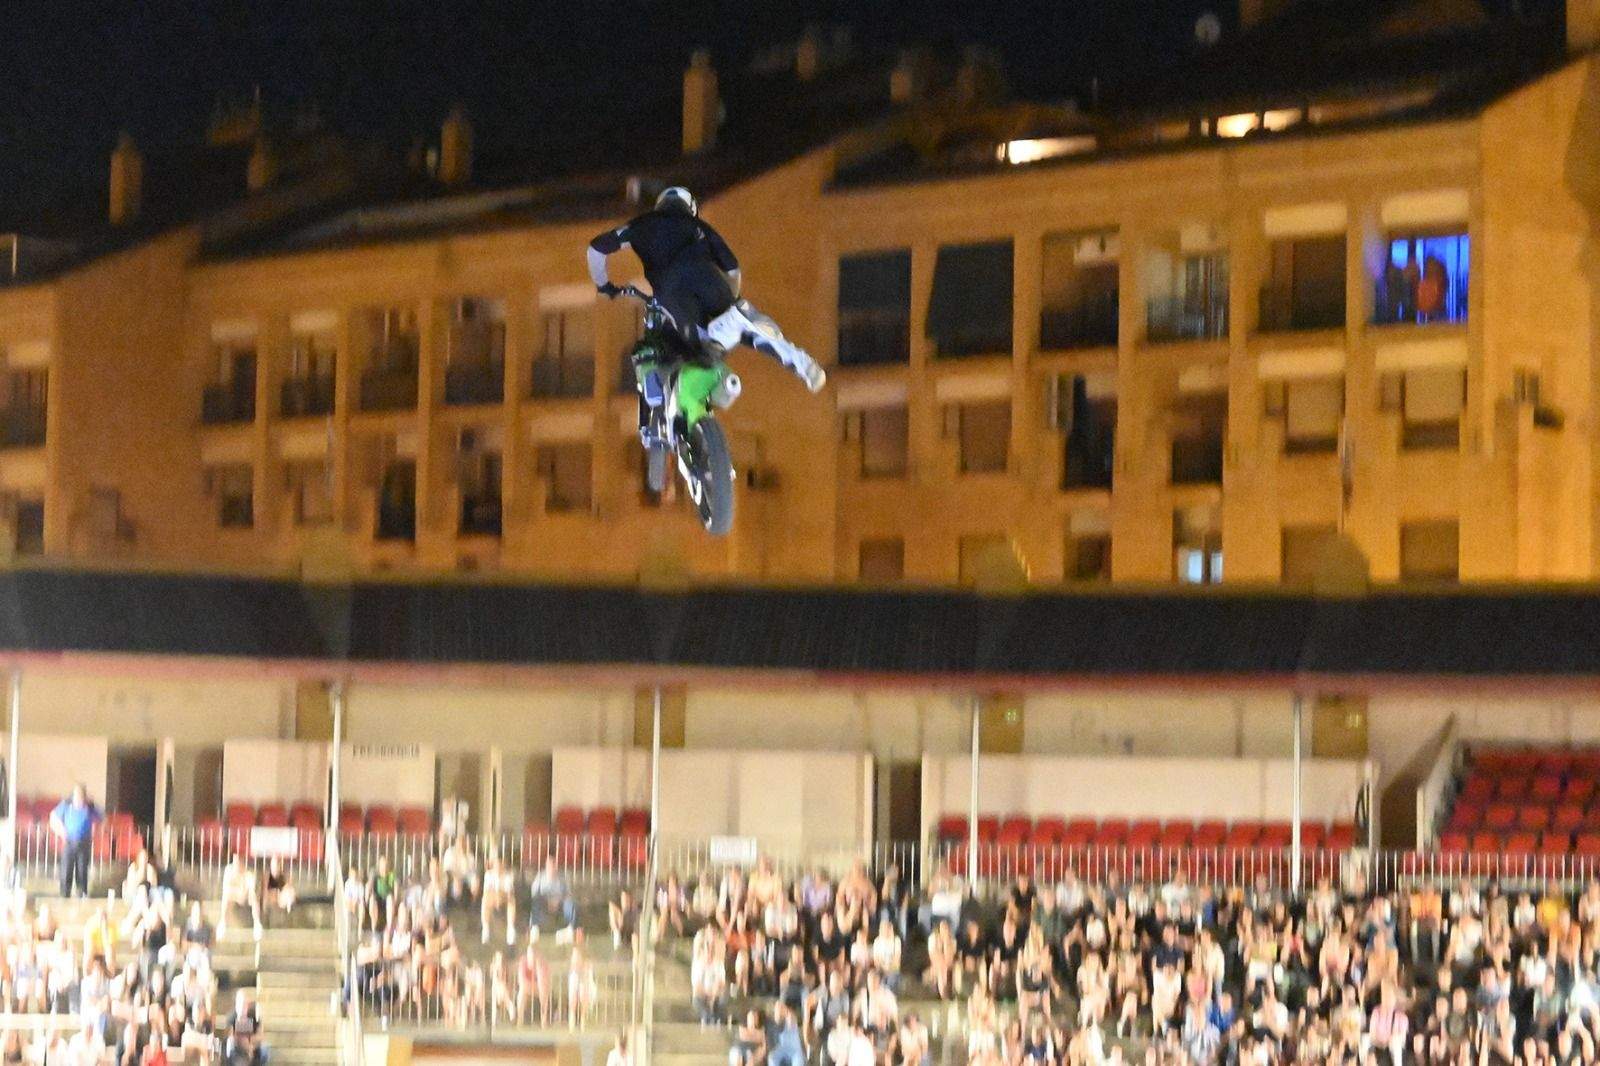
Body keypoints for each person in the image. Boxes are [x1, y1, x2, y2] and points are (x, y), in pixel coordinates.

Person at [586, 186, 825, 442]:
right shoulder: (698, 227)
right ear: (691, 209)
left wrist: (603, 285)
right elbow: (733, 269)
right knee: (744, 330)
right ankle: (789, 354)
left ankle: (721, 333)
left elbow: (596, 249)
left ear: (660, 206)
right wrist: (728, 301)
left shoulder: (641, 226)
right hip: (711, 281)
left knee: (696, 341)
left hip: (672, 291)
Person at [49, 784, 101, 898]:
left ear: (84, 796)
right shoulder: (66, 805)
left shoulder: (90, 807)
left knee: (82, 869)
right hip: (69, 841)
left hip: (84, 842)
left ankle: (82, 893)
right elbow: (53, 816)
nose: (78, 798)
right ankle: (64, 893)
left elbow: (101, 817)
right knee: (66, 869)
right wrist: (61, 830)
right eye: (76, 795)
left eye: (81, 795)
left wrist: (95, 829)